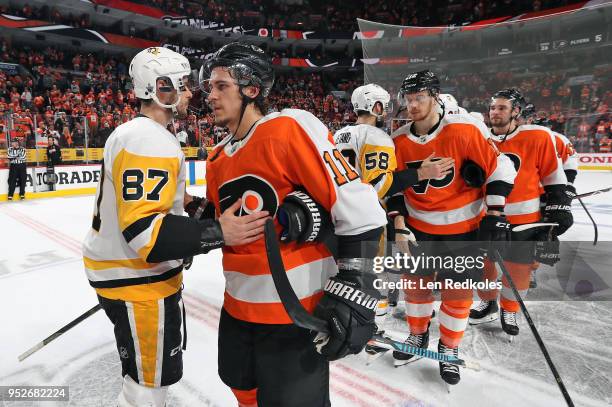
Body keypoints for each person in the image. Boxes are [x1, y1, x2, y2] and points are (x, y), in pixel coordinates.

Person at [199, 42, 387, 406]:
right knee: (241, 388)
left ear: (251, 89)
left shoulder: (289, 127)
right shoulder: (217, 157)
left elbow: (358, 207)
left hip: (294, 313)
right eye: (210, 87)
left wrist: (355, 285)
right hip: (237, 308)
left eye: (221, 86)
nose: (211, 95)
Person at [82, 46, 269, 407]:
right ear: (159, 88)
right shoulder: (148, 139)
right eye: (181, 85)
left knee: (146, 381)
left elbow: (169, 203)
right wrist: (218, 232)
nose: (190, 94)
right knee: (146, 391)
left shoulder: (141, 134)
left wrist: (201, 212)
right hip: (138, 283)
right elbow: (143, 232)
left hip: (126, 277)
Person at [389, 70, 516, 385]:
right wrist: (399, 223)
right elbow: (390, 187)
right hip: (418, 229)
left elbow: (500, 165)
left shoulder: (463, 128)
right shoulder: (398, 139)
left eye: (419, 98)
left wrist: (496, 212)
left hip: (463, 231)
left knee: (457, 296)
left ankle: (448, 348)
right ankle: (417, 336)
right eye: (408, 99)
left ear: (434, 96)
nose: (413, 105)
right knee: (415, 290)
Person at [333, 83, 454, 334]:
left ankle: (345, 318)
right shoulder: (377, 136)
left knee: (347, 272)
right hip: (366, 218)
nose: (386, 110)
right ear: (375, 106)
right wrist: (420, 173)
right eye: (383, 105)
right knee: (371, 274)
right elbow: (379, 185)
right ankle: (367, 326)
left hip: (339, 214)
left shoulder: (338, 134)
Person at [470, 89, 572, 336]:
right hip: (487, 218)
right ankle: (487, 301)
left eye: (502, 108)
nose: (495, 112)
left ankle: (510, 307)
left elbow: (553, 175)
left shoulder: (538, 136)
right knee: (484, 266)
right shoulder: (479, 137)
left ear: (516, 111)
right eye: (493, 107)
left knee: (519, 269)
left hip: (526, 220)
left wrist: (559, 205)